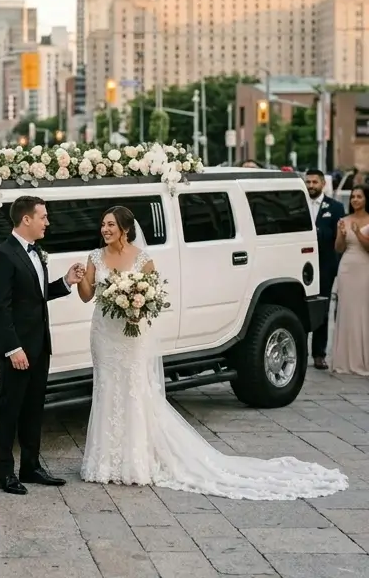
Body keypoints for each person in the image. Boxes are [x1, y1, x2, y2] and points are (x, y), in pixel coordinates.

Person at [76, 205, 347, 498]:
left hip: (132, 336)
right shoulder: (94, 258)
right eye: (103, 224)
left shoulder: (143, 260)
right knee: (106, 389)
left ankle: (134, 462)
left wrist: (134, 310)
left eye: (110, 225)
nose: (105, 230)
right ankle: (103, 462)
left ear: (125, 229)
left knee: (133, 390)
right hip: (104, 334)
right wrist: (81, 279)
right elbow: (87, 295)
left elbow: (151, 301)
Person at [0, 195, 86, 494]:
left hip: (40, 345)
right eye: (43, 216)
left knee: (33, 409)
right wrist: (13, 348)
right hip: (16, 348)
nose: (48, 222)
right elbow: (0, 308)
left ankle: (30, 467)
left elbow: (36, 296)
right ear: (26, 219)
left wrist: (65, 282)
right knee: (9, 410)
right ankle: (4, 474)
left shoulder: (38, 252)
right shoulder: (3, 255)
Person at [305, 169, 344, 369]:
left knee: (323, 309)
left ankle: (319, 354)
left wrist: (335, 267)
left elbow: (339, 240)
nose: (311, 185)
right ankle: (299, 352)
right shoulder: (298, 204)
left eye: (314, 182)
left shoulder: (336, 207)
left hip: (324, 266)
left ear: (322, 184)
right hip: (300, 267)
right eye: (308, 182)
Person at [331, 183, 369, 377]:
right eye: (353, 196)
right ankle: (345, 360)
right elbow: (338, 248)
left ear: (366, 199)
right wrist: (343, 235)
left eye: (359, 196)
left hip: (365, 268)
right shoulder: (344, 220)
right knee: (347, 311)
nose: (355, 199)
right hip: (346, 268)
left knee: (363, 311)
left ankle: (363, 359)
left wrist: (359, 232)